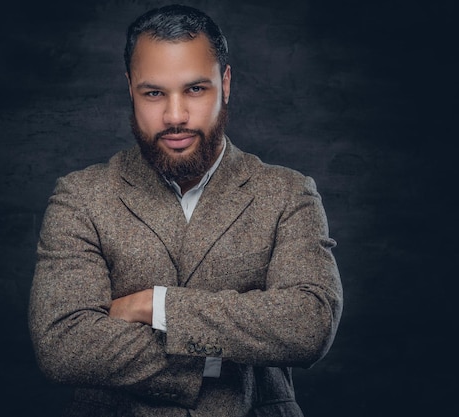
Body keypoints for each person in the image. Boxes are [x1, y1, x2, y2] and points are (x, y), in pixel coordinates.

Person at [29, 4, 343, 416]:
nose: (175, 116)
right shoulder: (80, 196)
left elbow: (309, 324)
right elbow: (63, 344)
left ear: (225, 84)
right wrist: (220, 357)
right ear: (130, 89)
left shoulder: (286, 192)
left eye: (195, 89)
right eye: (154, 92)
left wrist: (155, 306)